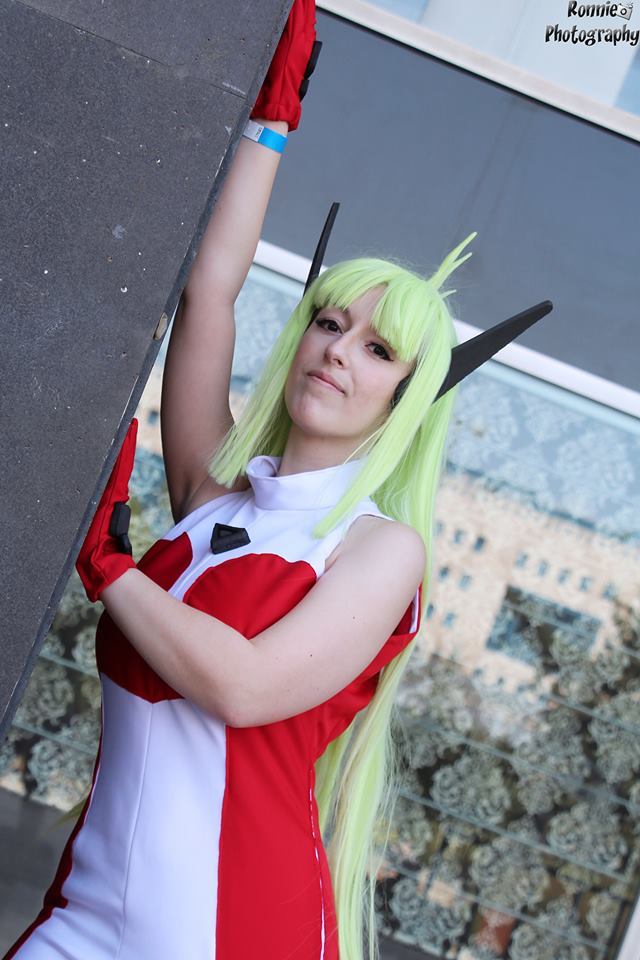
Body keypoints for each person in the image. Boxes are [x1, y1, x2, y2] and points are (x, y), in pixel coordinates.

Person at [3, 3, 484, 959]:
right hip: (89, 908)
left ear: (406, 398)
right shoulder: (216, 495)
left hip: (236, 931)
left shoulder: (381, 549)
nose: (339, 350)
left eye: (378, 349)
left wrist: (112, 569)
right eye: (329, 323)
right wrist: (269, 125)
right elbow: (210, 292)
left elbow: (248, 686)